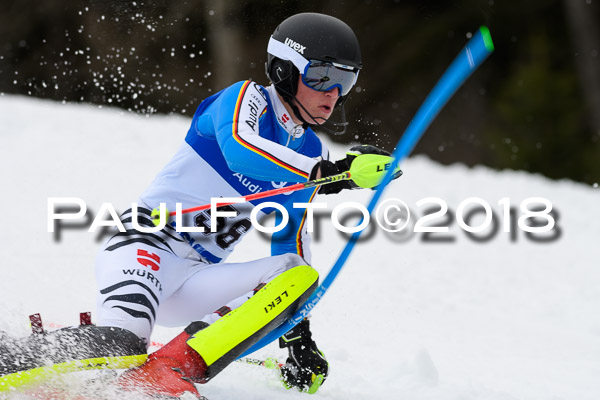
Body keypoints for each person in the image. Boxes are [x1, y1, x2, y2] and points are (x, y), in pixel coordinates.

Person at [92, 12, 398, 399]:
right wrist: (328, 171)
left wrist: (295, 335)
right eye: (323, 77)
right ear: (286, 70)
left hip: (196, 279)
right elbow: (240, 148)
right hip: (145, 248)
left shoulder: (308, 150)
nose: (333, 95)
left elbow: (289, 237)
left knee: (296, 272)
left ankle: (179, 362)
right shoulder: (245, 98)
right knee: (118, 348)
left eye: (345, 82)